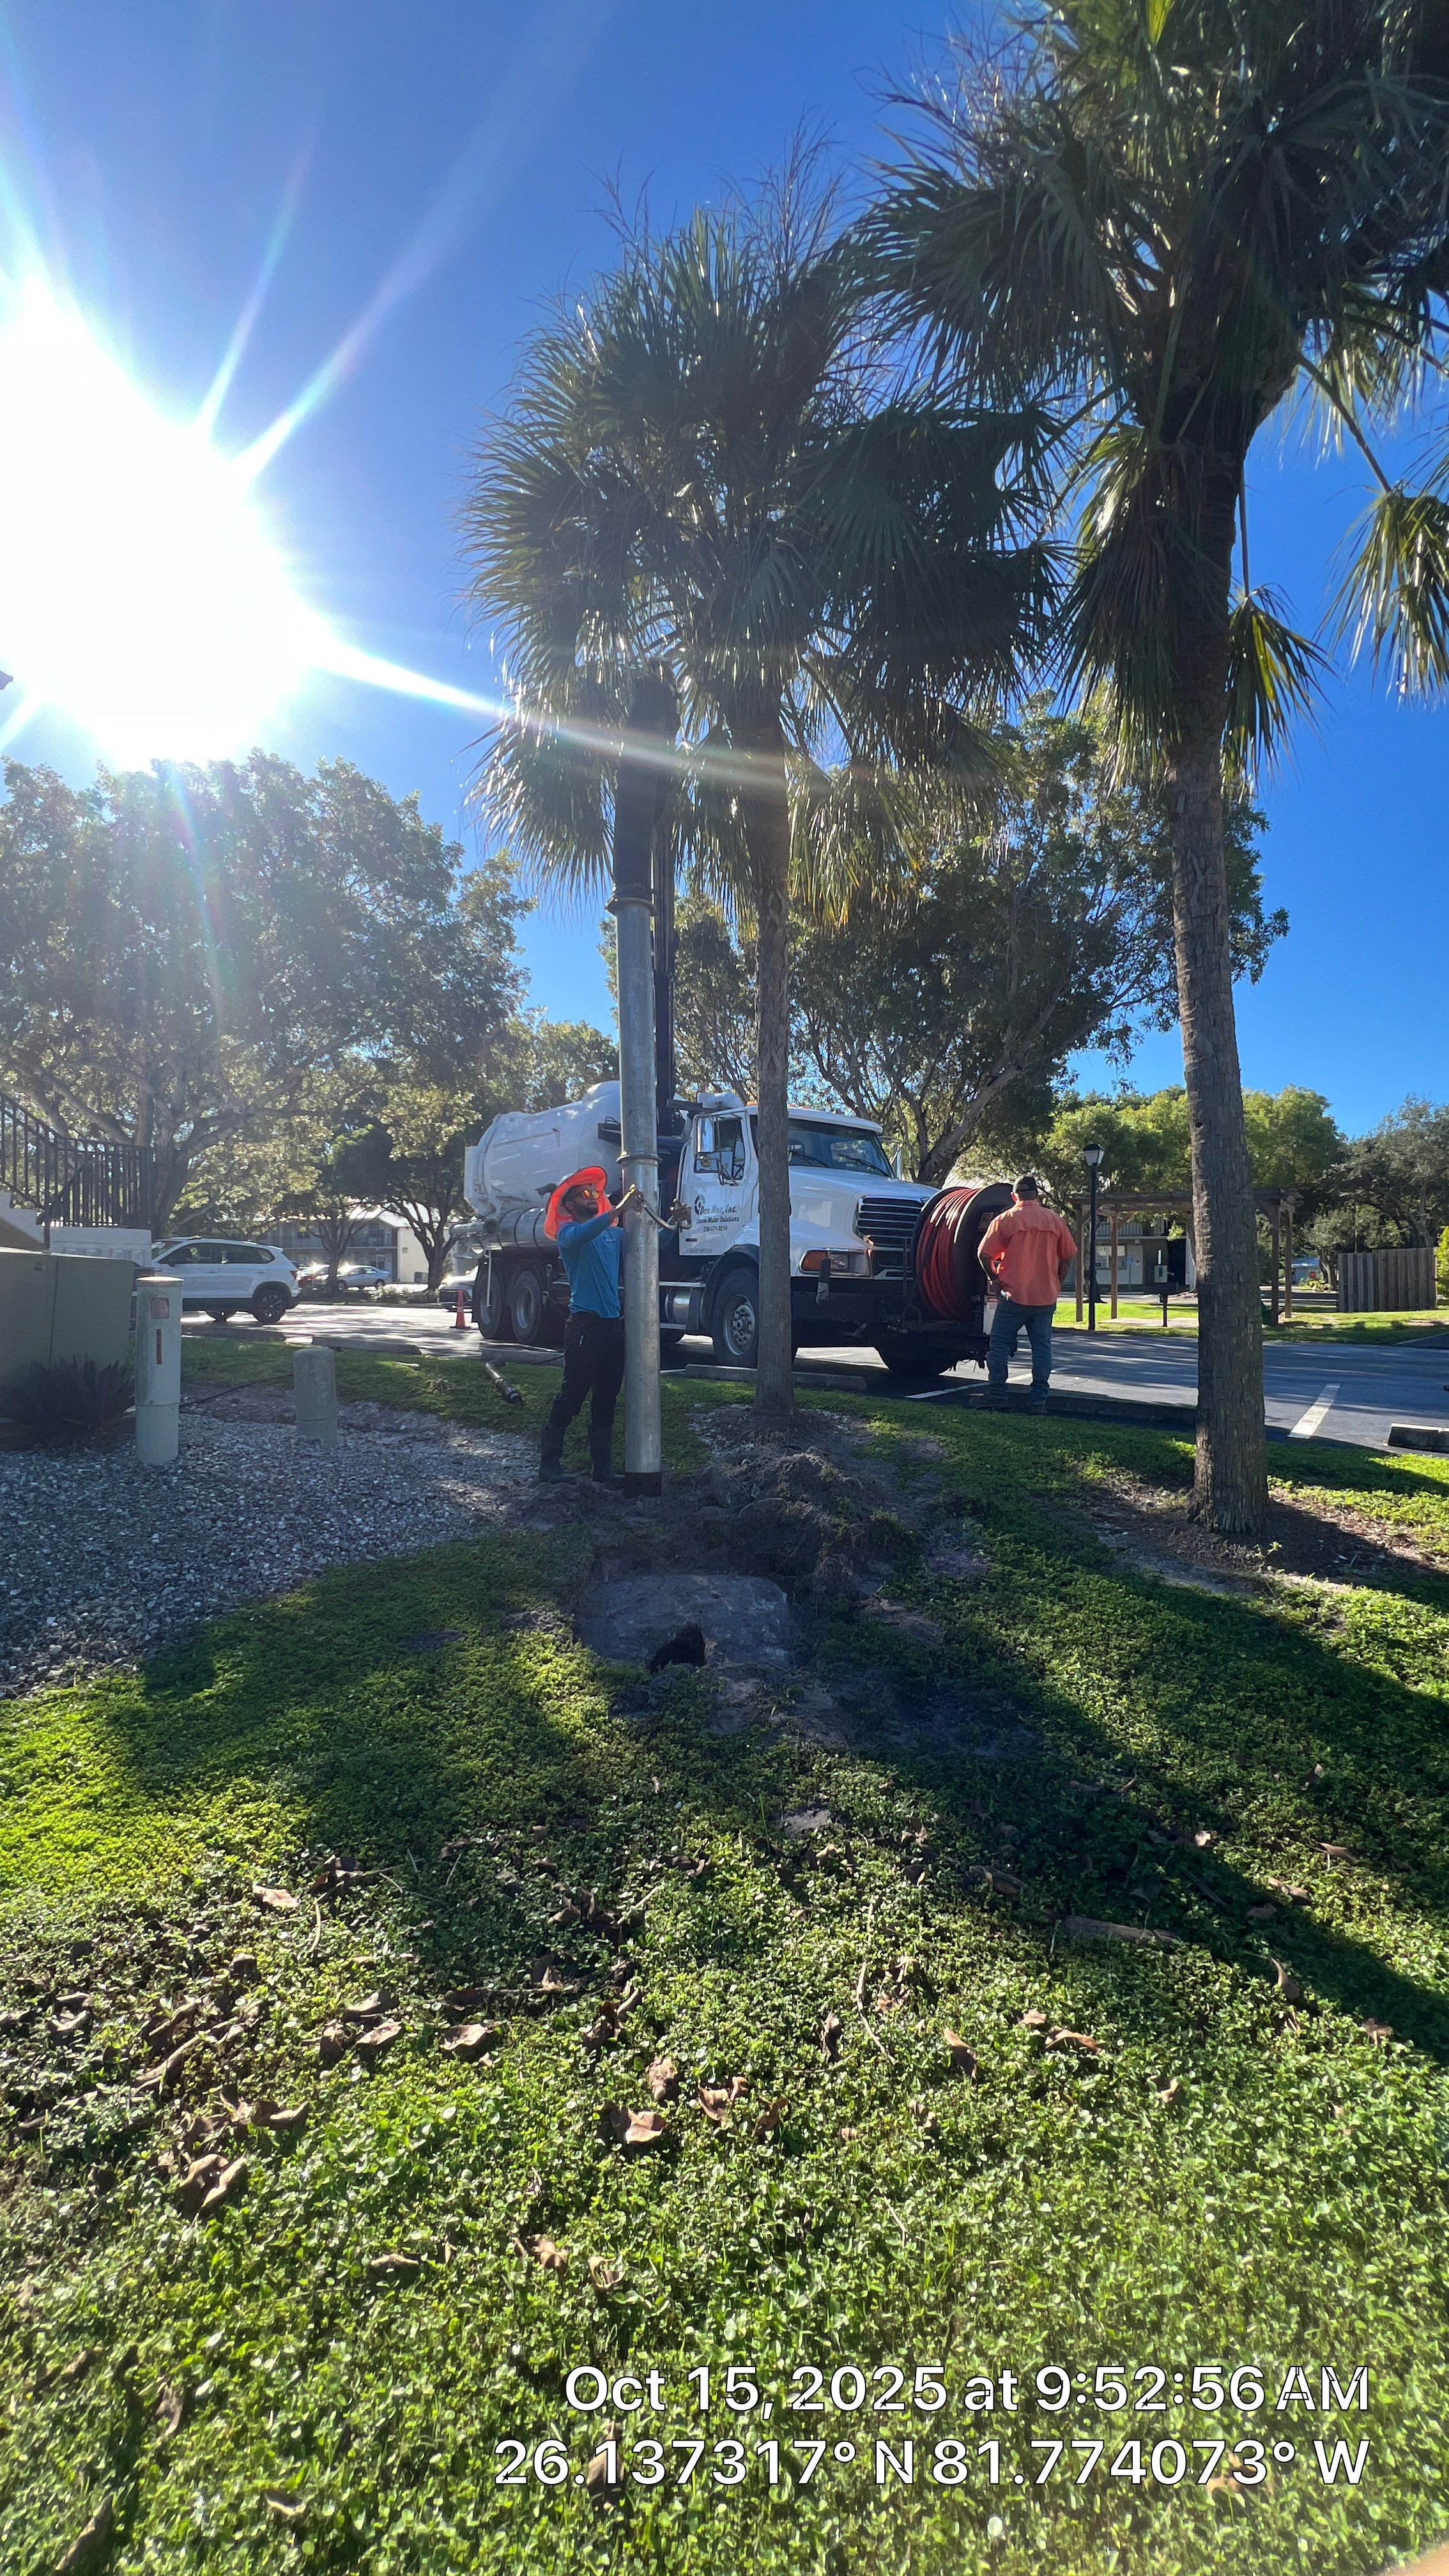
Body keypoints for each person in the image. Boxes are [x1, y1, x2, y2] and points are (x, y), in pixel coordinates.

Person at [538, 1166, 641, 1483]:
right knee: (573, 1395)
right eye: (584, 1195)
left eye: (595, 1193)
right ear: (568, 1206)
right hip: (585, 1327)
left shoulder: (612, 1234)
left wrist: (676, 1223)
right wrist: (620, 1209)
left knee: (607, 1396)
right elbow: (585, 1233)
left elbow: (649, 1242)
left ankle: (603, 1470)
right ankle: (549, 1465)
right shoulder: (569, 1235)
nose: (593, 1197)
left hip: (612, 1327)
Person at [977, 1175, 1077, 1412]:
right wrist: (1057, 1281)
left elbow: (984, 1254)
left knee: (1000, 1344)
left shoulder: (1005, 1220)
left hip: (1014, 1296)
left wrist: (994, 1279)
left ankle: (998, 1395)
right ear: (1038, 1196)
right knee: (1042, 1348)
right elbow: (1069, 1256)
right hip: (1045, 1297)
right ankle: (1039, 1401)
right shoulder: (1055, 1220)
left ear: (1014, 1197)